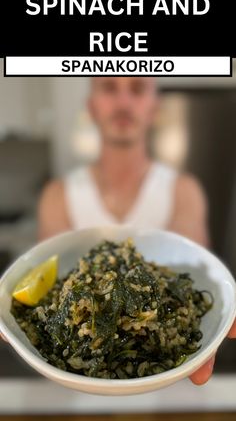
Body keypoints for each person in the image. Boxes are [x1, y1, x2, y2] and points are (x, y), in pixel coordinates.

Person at [2, 77, 236, 384]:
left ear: (154, 108)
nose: (123, 102)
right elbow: (48, 281)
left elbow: (193, 272)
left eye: (137, 89)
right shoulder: (58, 195)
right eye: (110, 88)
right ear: (92, 106)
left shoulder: (183, 190)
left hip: (169, 388)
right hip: (76, 391)